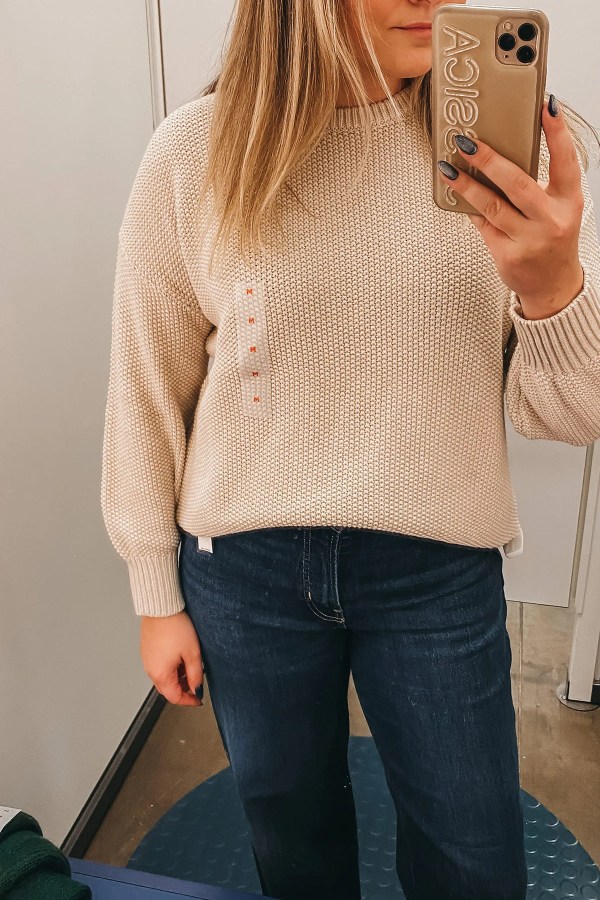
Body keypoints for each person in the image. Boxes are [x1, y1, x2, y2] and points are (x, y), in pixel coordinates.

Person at [101, 1, 600, 898]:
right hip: (243, 570)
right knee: (293, 842)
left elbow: (573, 414)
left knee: (475, 861)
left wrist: (552, 286)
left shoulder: (517, 153)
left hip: (438, 568)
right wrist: (153, 592)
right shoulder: (193, 154)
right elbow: (145, 390)